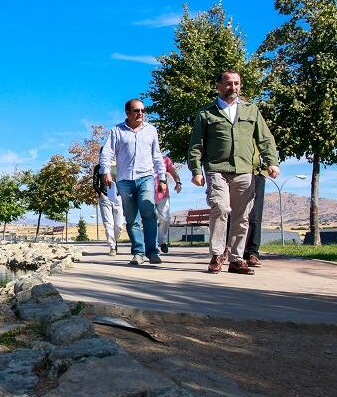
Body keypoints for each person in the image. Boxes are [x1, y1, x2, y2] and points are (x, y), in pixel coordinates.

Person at [187, 70, 280, 275]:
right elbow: (196, 145)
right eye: (229, 84)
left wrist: (271, 162)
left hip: (245, 170)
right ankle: (218, 254)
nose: (233, 88)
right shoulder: (206, 113)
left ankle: (237, 259)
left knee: (242, 216)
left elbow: (265, 139)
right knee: (220, 207)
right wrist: (196, 170)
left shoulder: (251, 110)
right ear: (218, 86)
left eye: (237, 83)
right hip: (216, 169)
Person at [99, 98, 167, 266]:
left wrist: (163, 178)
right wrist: (105, 172)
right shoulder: (117, 131)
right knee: (131, 218)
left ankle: (152, 252)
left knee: (149, 212)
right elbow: (107, 153)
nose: (141, 114)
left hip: (146, 177)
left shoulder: (151, 130)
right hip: (124, 180)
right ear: (127, 113)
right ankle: (138, 252)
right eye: (137, 111)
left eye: (143, 111)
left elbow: (157, 156)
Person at [155, 154, 183, 254]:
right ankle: (153, 244)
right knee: (150, 219)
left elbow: (172, 171)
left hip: (163, 194)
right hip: (147, 194)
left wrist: (178, 182)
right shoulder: (144, 157)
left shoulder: (165, 159)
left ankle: (161, 241)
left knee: (165, 218)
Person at [99, 164, 124, 256]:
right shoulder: (99, 167)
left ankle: (115, 240)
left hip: (118, 197)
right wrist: (100, 193)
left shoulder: (120, 165)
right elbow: (95, 183)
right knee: (108, 224)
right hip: (105, 197)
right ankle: (112, 247)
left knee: (119, 225)